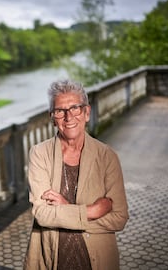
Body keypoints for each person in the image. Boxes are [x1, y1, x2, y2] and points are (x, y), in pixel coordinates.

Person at [24, 80, 129, 270]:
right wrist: (92, 211)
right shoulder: (39, 153)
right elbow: (42, 214)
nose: (68, 117)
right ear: (52, 117)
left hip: (97, 261)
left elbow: (119, 218)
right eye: (60, 111)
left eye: (75, 108)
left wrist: (65, 208)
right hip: (52, 258)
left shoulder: (107, 157)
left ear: (87, 112)